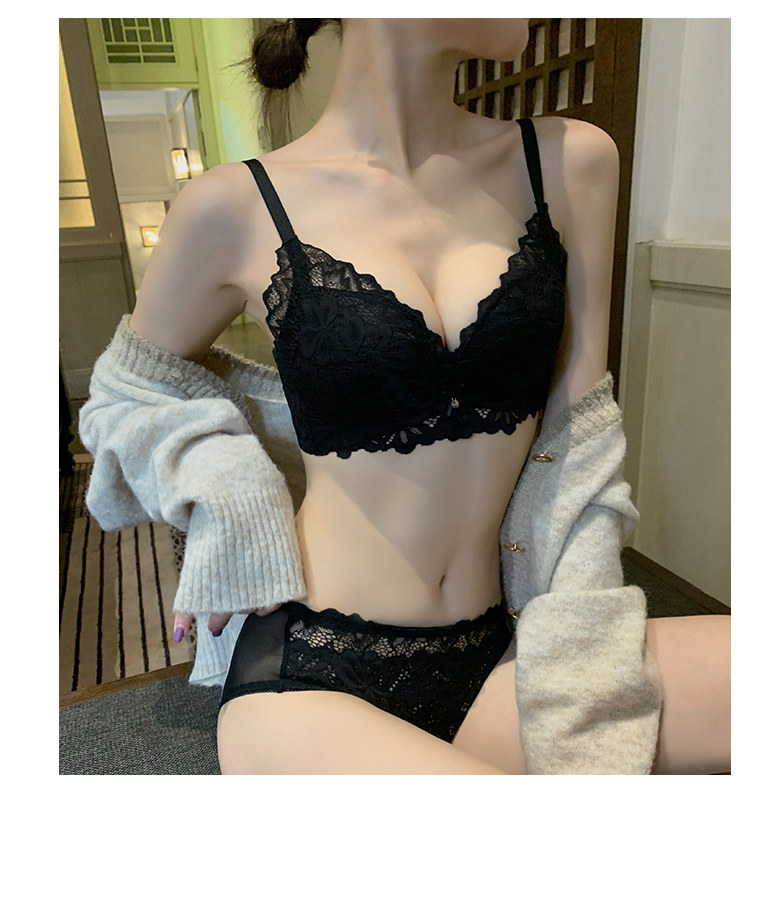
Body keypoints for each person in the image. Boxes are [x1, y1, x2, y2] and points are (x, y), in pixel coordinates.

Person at [80, 18, 730, 775]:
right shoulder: (234, 204)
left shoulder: (570, 160)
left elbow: (580, 434)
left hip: (503, 646)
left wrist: (577, 626)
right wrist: (231, 493)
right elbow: (124, 394)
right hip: (312, 669)